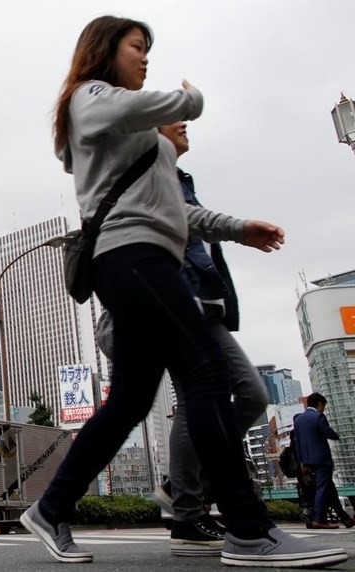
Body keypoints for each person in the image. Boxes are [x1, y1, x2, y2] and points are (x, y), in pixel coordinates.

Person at [21, 15, 347, 568]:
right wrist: (187, 100)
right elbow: (135, 111)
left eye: (148, 49)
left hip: (145, 259)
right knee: (206, 375)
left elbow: (176, 206)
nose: (145, 57)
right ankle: (248, 529)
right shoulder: (88, 97)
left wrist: (239, 228)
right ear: (106, 49)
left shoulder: (134, 130)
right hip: (133, 258)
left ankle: (50, 508)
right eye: (136, 46)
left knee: (128, 403)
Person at [149, 122, 271, 557]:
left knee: (249, 396)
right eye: (175, 117)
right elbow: (184, 222)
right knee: (206, 398)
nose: (185, 125)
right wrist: (239, 228)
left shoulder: (178, 177)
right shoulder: (150, 169)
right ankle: (187, 509)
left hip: (202, 300)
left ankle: (184, 487)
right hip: (181, 299)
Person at [293, 393, 354, 529]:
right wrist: (338, 435)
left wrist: (302, 461)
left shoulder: (299, 420)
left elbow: (297, 442)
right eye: (324, 406)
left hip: (308, 461)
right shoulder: (318, 416)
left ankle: (346, 519)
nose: (323, 409)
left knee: (329, 489)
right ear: (320, 403)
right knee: (322, 488)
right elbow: (327, 432)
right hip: (322, 459)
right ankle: (318, 519)